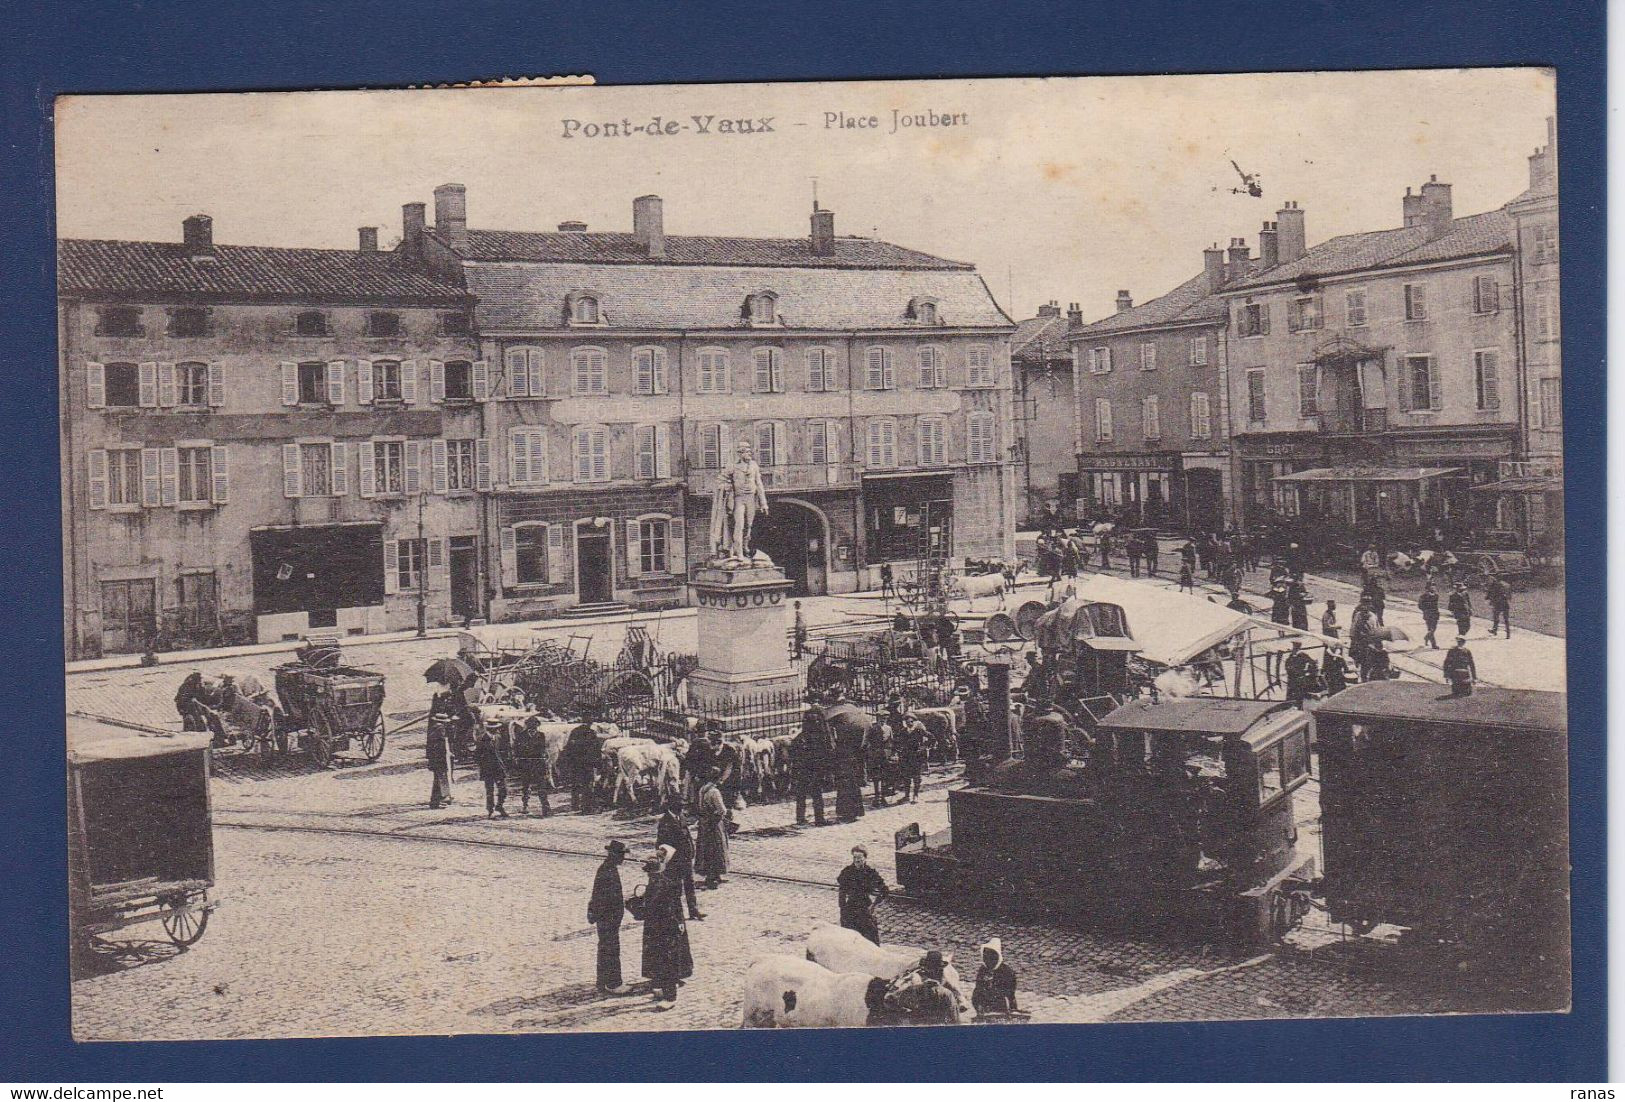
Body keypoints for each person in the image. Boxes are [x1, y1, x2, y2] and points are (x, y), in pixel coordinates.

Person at [640, 847, 693, 1009]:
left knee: (668, 960)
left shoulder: (664, 884)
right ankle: (663, 988)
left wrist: (677, 924)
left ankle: (670, 997)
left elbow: (671, 907)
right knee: (660, 958)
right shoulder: (655, 883)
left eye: (651, 873)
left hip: (667, 928)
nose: (649, 876)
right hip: (657, 927)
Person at [588, 840, 633, 994]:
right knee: (611, 949)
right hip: (608, 917)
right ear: (613, 854)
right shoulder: (607, 871)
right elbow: (602, 897)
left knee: (605, 949)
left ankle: (602, 982)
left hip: (606, 917)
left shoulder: (607, 868)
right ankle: (614, 984)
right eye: (621, 855)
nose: (623, 858)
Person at [656, 795, 705, 920]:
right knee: (676, 888)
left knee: (690, 885)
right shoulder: (665, 821)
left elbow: (687, 836)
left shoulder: (680, 817)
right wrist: (665, 860)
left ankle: (693, 911)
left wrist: (692, 850)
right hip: (674, 861)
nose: (682, 808)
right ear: (672, 806)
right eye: (680, 805)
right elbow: (661, 844)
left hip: (686, 858)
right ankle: (677, 913)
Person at [837, 845, 890, 945]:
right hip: (850, 909)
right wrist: (842, 909)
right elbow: (842, 891)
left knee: (871, 938)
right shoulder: (847, 872)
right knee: (849, 940)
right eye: (854, 857)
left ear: (865, 858)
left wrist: (874, 906)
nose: (857, 860)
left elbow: (885, 890)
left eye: (859, 857)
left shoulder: (870, 873)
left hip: (864, 908)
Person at [792, 705, 833, 826]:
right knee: (816, 792)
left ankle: (800, 818)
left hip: (803, 769)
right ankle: (819, 818)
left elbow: (794, 754)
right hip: (814, 768)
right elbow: (826, 753)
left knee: (802, 793)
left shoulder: (800, 738)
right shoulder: (821, 738)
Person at [694, 768, 730, 889]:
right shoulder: (714, 792)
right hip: (714, 823)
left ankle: (713, 875)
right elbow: (722, 810)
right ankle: (713, 876)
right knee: (717, 848)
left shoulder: (702, 790)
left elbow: (699, 806)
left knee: (706, 848)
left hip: (704, 823)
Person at [512, 716, 551, 816]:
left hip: (538, 765)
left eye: (535, 724)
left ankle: (545, 807)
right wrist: (518, 759)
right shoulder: (521, 736)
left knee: (542, 786)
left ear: (537, 725)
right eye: (531, 724)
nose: (533, 726)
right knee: (526, 787)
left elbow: (543, 749)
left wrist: (544, 758)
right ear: (527, 725)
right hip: (526, 765)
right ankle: (525, 805)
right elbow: (516, 749)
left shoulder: (541, 735)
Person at [971, 937, 1019, 1016]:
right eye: (985, 957)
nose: (988, 960)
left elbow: (1009, 993)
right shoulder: (983, 970)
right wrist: (978, 1005)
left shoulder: (1007, 972)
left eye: (991, 957)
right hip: (984, 1007)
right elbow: (977, 990)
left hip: (1003, 1007)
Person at [562, 716, 600, 814]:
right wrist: (597, 763)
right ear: (591, 723)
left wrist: (569, 762)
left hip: (576, 763)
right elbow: (596, 749)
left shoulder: (574, 731)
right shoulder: (591, 733)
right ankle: (586, 807)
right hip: (587, 763)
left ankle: (575, 805)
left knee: (575, 784)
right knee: (587, 785)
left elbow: (568, 748)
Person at [473, 725, 508, 819]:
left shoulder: (498, 737)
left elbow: (503, 752)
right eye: (495, 727)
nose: (497, 729)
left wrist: (504, 764)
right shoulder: (481, 739)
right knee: (490, 791)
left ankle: (499, 806)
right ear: (490, 728)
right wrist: (483, 765)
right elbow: (476, 755)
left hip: (499, 768)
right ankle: (490, 810)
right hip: (488, 769)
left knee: (503, 789)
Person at [425, 703, 454, 809]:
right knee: (438, 780)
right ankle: (435, 802)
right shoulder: (440, 730)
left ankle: (436, 800)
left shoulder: (433, 729)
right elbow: (442, 746)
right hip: (439, 759)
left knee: (437, 780)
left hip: (434, 759)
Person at [894, 713, 928, 804]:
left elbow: (932, 738)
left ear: (914, 721)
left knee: (916, 777)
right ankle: (906, 796)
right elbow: (896, 742)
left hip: (916, 757)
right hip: (905, 757)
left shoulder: (919, 731)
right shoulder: (903, 731)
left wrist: (924, 747)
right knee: (906, 777)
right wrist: (898, 750)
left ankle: (915, 795)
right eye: (907, 721)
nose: (909, 723)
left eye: (911, 721)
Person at [1284, 642, 1317, 707]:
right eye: (1293, 647)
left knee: (1299, 697)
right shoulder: (1291, 655)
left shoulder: (1303, 655)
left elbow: (1313, 663)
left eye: (1295, 647)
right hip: (1291, 679)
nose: (1293, 648)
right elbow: (1287, 665)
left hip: (1299, 679)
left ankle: (1298, 708)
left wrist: (1308, 673)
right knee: (1290, 697)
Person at [1418, 582, 1441, 649]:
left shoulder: (1436, 595)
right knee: (1431, 629)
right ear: (1428, 588)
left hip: (1435, 614)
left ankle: (1427, 637)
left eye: (1434, 586)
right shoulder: (1423, 596)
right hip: (1428, 614)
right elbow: (1420, 605)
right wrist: (1425, 610)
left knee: (1432, 629)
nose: (1434, 587)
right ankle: (1433, 644)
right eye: (1432, 586)